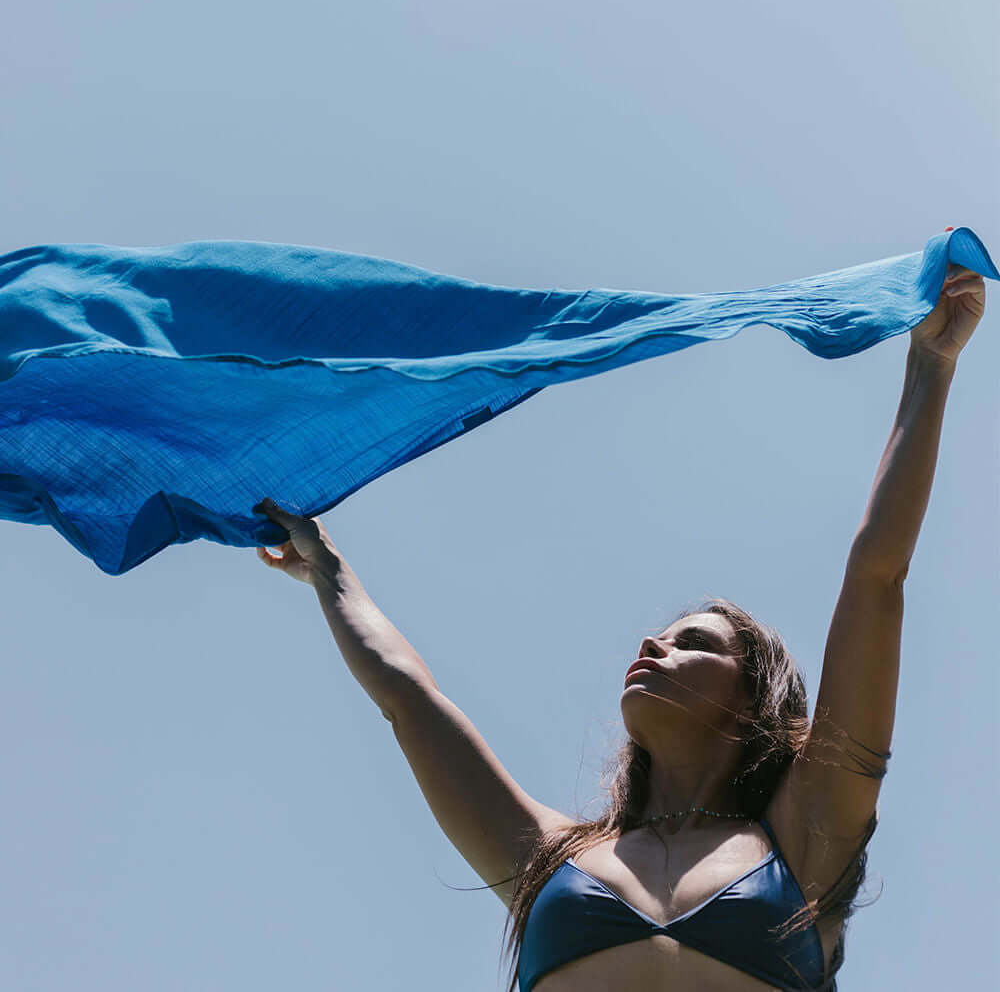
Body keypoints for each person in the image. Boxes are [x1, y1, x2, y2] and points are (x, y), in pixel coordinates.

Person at [253, 258, 986, 991]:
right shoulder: (550, 857)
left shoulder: (809, 835)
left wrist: (932, 362)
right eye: (663, 636)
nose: (652, 644)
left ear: (754, 698)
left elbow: (875, 577)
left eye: (693, 643)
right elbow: (408, 699)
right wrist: (329, 572)